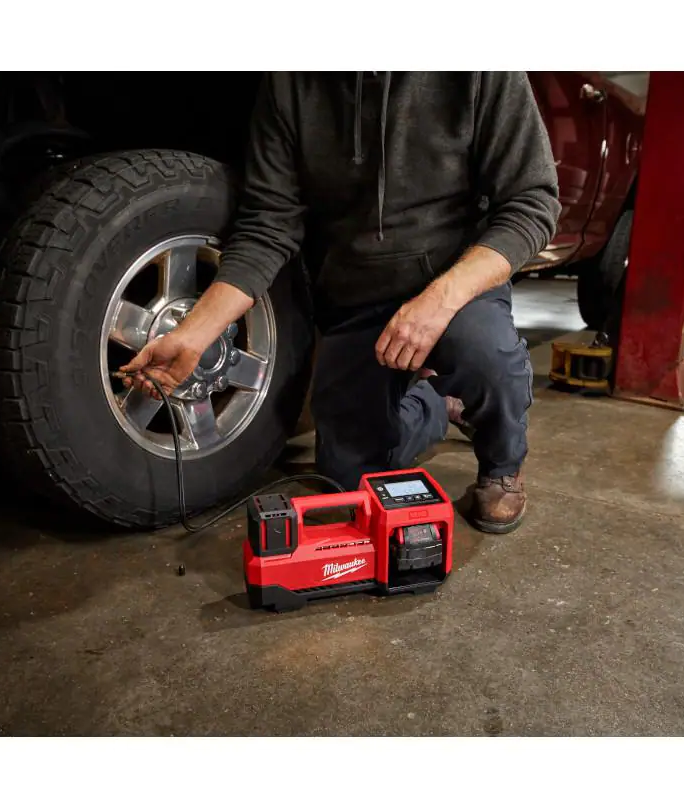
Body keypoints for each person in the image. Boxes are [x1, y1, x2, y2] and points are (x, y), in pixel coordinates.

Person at [122, 72, 560, 534]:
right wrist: (193, 335)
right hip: (356, 296)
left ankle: (502, 466)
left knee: (484, 353)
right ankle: (436, 404)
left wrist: (438, 301)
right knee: (348, 479)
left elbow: (532, 202)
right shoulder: (292, 81)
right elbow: (267, 227)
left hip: (454, 287)